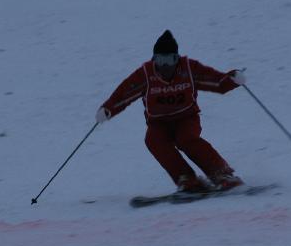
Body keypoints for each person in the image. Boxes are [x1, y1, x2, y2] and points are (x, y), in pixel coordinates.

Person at [96, 30, 247, 193]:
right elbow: (124, 93)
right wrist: (108, 109)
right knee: (153, 140)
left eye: (170, 60)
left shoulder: (189, 68)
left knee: (186, 139)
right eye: (160, 60)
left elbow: (216, 82)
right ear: (154, 59)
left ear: (177, 58)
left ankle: (222, 175)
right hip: (158, 122)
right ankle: (187, 179)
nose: (165, 65)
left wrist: (232, 79)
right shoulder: (146, 74)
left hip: (186, 118)